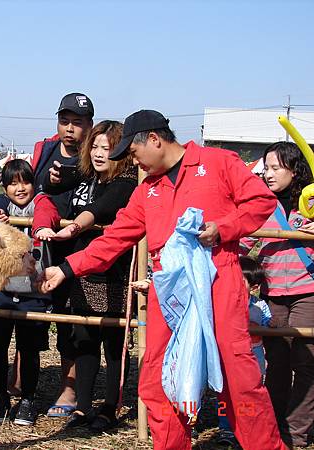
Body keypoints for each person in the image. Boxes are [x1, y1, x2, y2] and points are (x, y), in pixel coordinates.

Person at [41, 110, 287, 450]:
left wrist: (224, 228)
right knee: (156, 381)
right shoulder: (147, 191)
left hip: (217, 281)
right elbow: (115, 239)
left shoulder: (219, 163)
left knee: (239, 377)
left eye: (134, 152)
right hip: (169, 292)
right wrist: (67, 268)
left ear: (154, 140)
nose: (133, 160)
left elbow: (260, 201)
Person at [46, 120, 137, 432]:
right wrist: (54, 178)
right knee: (84, 338)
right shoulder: (87, 178)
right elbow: (51, 186)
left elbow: (101, 209)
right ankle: (83, 408)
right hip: (83, 270)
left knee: (114, 342)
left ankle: (111, 407)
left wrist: (72, 227)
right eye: (95, 146)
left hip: (116, 273)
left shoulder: (126, 182)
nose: (99, 153)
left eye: (107, 147)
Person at [240, 141, 314, 448]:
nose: (268, 174)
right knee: (277, 364)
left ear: (294, 169)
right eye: (265, 168)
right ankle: (275, 426)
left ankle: (297, 432)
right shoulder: (260, 204)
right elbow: (242, 240)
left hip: (308, 291)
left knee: (307, 363)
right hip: (272, 294)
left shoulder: (311, 202)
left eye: (276, 168)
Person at [30, 92, 95, 418]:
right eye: (64, 121)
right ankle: (19, 385)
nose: (70, 129)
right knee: (32, 316)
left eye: (78, 123)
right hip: (46, 246)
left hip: (85, 249)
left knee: (75, 323)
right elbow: (36, 193)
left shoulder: (99, 154)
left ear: (90, 126)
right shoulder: (45, 150)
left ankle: (70, 389)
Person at [0, 159, 60, 426]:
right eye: (13, 183)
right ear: (4, 187)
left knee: (29, 349)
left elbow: (47, 212)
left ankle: (27, 399)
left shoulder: (42, 203)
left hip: (34, 290)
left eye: (25, 181)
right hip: (1, 288)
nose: (20, 188)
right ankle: (1, 398)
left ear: (33, 183)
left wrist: (39, 226)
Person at [216, 255, 271, 446]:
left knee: (250, 393)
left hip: (254, 353)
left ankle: (247, 428)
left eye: (241, 281)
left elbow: (268, 326)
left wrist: (259, 326)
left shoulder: (260, 306)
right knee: (225, 393)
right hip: (228, 353)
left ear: (254, 286)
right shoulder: (222, 302)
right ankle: (225, 428)